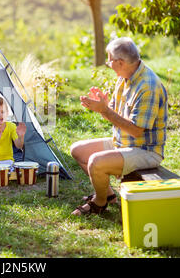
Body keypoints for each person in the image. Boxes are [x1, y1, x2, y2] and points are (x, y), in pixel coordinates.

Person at [70, 37, 168, 216]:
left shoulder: (148, 86)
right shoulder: (124, 77)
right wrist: (103, 105)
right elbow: (115, 113)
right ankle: (108, 196)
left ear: (120, 62)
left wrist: (105, 110)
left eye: (109, 60)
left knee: (96, 162)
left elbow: (136, 131)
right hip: (123, 142)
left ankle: (98, 203)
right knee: (78, 150)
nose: (108, 64)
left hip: (145, 150)